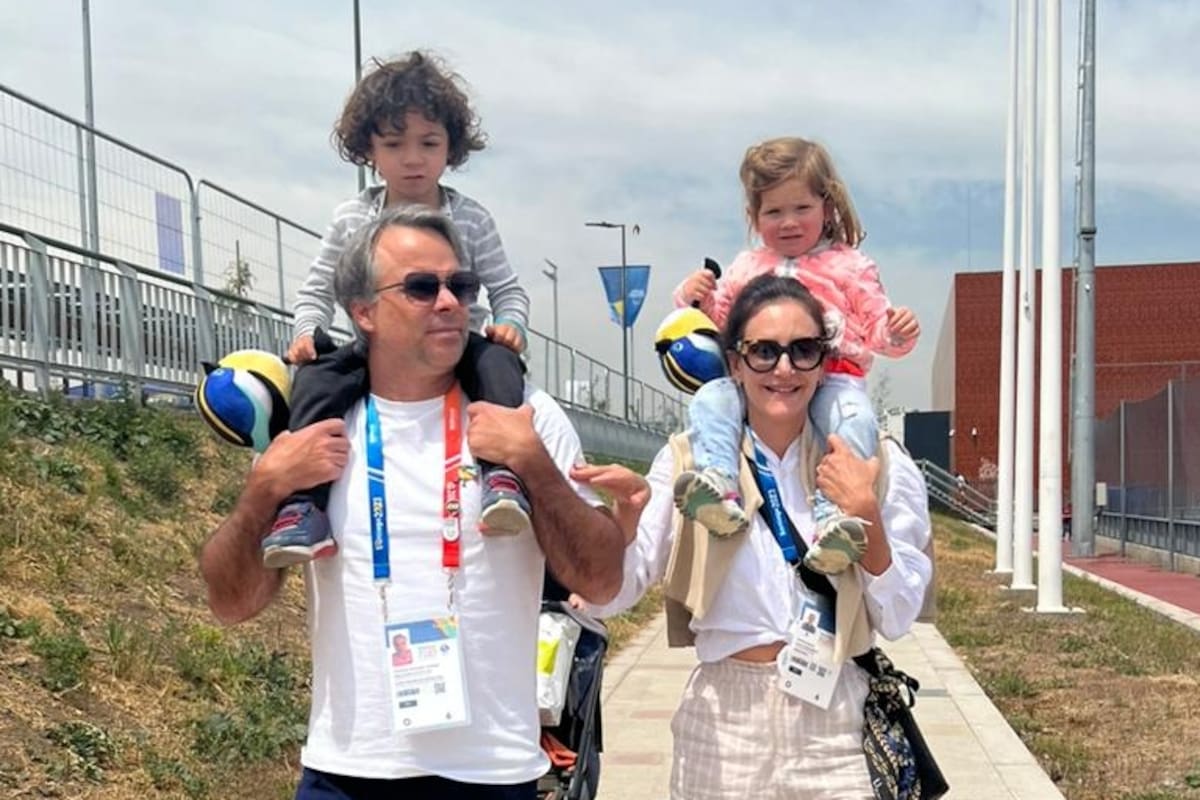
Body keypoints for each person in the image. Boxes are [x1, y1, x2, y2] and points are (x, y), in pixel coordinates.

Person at [198, 205, 627, 800]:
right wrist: (263, 490)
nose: (451, 303)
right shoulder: (313, 427)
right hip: (347, 771)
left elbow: (601, 580)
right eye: (423, 288)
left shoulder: (526, 415)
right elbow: (231, 602)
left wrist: (533, 465)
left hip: (491, 771)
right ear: (364, 311)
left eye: (462, 286)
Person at [581, 275, 933, 800]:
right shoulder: (687, 460)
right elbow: (612, 597)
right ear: (735, 362)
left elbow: (900, 615)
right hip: (724, 721)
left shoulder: (879, 462)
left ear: (824, 360)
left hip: (835, 719)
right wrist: (624, 523)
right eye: (764, 351)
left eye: (803, 350)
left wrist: (868, 520)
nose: (784, 368)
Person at [265, 50, 533, 569]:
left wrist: (510, 325)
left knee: (499, 366)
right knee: (317, 380)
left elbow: (509, 290)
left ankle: (503, 478)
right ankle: (304, 506)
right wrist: (307, 331)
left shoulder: (472, 220)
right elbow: (315, 290)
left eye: (429, 144)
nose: (413, 158)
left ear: (450, 148)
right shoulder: (351, 218)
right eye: (394, 144)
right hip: (377, 350)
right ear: (370, 150)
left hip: (459, 346)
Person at [673, 137, 920, 576]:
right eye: (773, 212)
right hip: (759, 381)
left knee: (855, 420)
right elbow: (723, 319)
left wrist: (896, 333)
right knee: (711, 398)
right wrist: (695, 298)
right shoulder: (747, 268)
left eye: (801, 208)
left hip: (835, 377)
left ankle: (833, 516)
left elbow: (877, 330)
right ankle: (719, 486)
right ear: (754, 217)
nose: (788, 222)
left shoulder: (850, 267)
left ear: (827, 206)